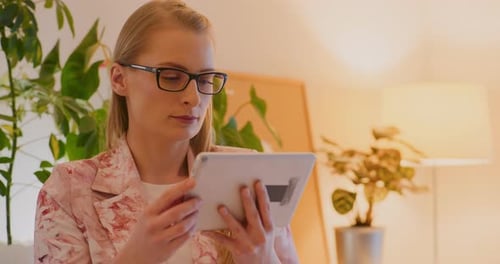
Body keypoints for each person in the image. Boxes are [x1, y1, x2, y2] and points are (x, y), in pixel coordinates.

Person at [34, 1, 300, 263]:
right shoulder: (68, 190)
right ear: (118, 79)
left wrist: (265, 261)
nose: (194, 98)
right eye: (172, 77)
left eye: (205, 79)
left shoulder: (247, 176)